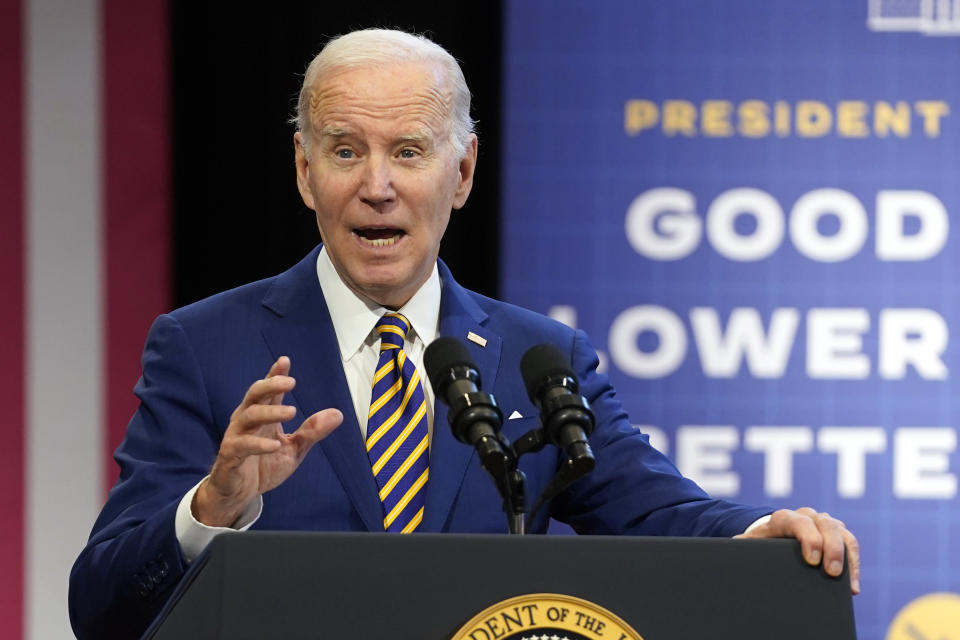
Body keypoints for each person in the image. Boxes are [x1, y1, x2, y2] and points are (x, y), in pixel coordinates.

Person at [68, 28, 859, 640]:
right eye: (346, 152)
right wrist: (213, 505)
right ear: (306, 173)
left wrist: (760, 530)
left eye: (408, 152)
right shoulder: (205, 348)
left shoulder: (540, 360)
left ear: (464, 171)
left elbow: (654, 512)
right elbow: (101, 607)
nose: (377, 187)